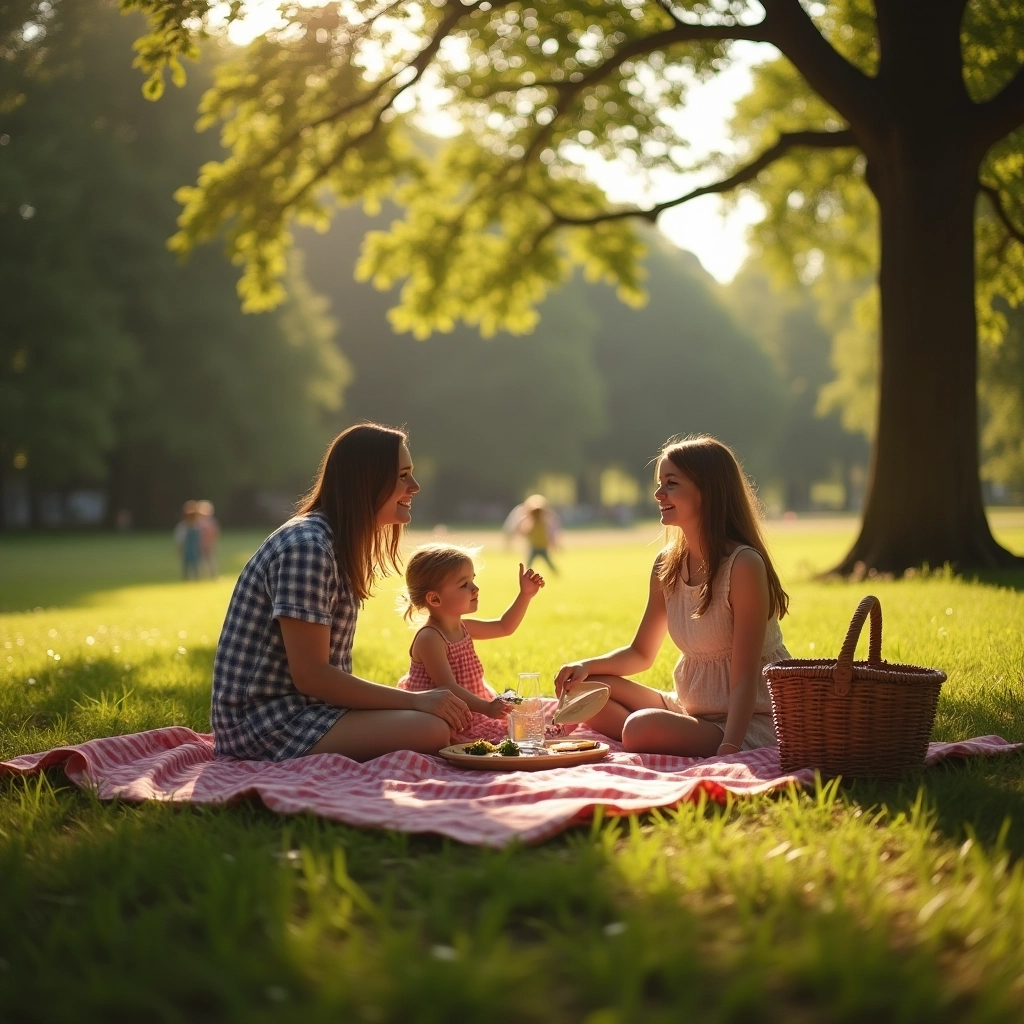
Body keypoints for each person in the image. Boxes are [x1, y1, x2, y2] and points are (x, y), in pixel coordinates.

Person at [210, 423, 472, 762]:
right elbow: (312, 675)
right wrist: (414, 699)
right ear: (366, 482)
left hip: (310, 710)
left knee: (434, 723)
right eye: (402, 475)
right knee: (432, 728)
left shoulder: (333, 542)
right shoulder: (308, 548)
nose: (415, 486)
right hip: (263, 725)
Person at [554, 435, 790, 757]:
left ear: (707, 491)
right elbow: (641, 653)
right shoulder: (667, 565)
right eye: (660, 483)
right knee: (579, 691)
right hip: (690, 708)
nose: (658, 493)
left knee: (639, 728)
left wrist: (730, 747)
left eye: (671, 483)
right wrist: (585, 665)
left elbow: (746, 678)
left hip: (747, 720)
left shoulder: (743, 565)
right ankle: (651, 731)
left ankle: (646, 732)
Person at [396, 545, 545, 743]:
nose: (475, 588)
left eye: (473, 580)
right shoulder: (430, 638)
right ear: (434, 598)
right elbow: (447, 688)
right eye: (464, 584)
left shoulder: (462, 627)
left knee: (524, 721)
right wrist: (486, 708)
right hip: (446, 714)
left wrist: (525, 595)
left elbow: (504, 627)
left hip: (471, 706)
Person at [504, 494, 560, 572]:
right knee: (529, 564)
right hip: (533, 547)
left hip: (542, 546)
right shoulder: (530, 524)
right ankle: (527, 574)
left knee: (548, 562)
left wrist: (554, 544)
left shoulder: (544, 523)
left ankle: (555, 572)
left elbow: (550, 534)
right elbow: (524, 532)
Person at [173, 501, 202, 580]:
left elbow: (199, 540)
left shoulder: (197, 526)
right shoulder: (182, 527)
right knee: (186, 565)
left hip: (195, 549)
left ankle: (196, 578)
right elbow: (180, 540)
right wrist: (180, 550)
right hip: (186, 549)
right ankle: (186, 579)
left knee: (195, 565)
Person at [196, 500, 220, 577]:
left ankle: (213, 574)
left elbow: (215, 532)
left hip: (209, 544)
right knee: (202, 561)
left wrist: (212, 541)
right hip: (200, 544)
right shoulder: (199, 522)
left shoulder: (211, 522)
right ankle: (202, 575)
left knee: (210, 560)